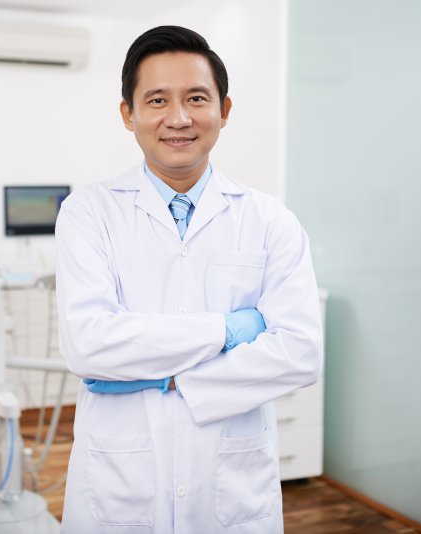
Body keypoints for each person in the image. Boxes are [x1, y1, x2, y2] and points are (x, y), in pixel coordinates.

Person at [55, 25, 323, 533]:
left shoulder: (269, 220)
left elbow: (300, 353)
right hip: (118, 483)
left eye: (196, 98)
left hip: (231, 489)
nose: (178, 118)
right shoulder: (88, 213)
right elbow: (88, 344)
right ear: (127, 114)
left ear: (223, 110)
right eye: (156, 100)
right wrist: (229, 331)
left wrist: (174, 380)